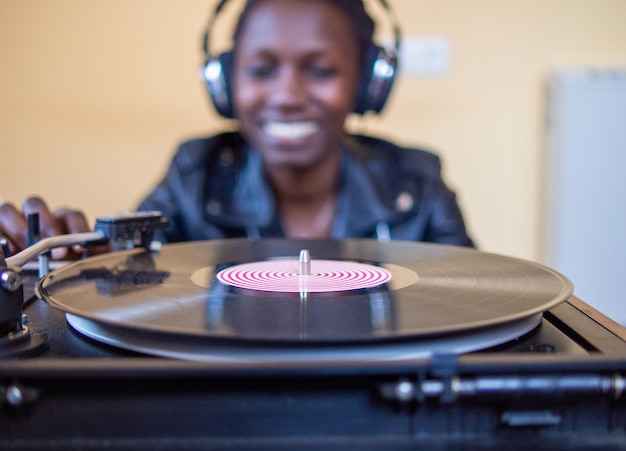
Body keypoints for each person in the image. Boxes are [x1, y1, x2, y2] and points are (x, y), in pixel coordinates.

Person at [0, 0, 473, 260]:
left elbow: (480, 306)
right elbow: (125, 268)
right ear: (226, 84)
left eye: (321, 70)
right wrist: (75, 256)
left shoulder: (418, 182)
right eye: (262, 70)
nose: (287, 95)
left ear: (367, 84)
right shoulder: (193, 175)